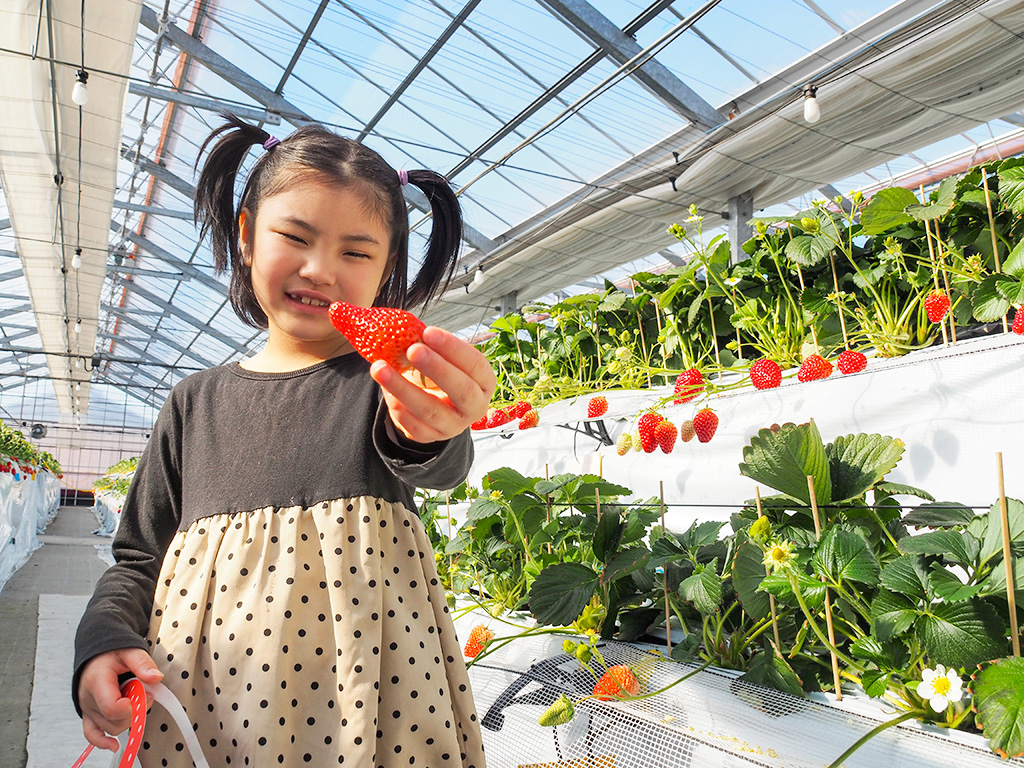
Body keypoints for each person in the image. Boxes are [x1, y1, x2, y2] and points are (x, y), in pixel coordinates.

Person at [73, 114, 495, 767]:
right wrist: (102, 637)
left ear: (385, 271)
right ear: (246, 236)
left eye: (356, 252)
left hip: (369, 711)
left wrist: (432, 428)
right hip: (208, 710)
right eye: (294, 236)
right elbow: (136, 559)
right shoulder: (194, 404)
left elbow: (437, 460)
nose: (321, 269)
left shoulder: (378, 386)